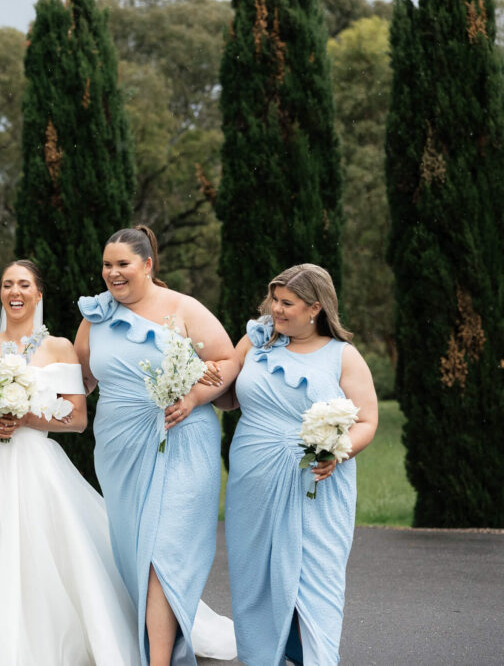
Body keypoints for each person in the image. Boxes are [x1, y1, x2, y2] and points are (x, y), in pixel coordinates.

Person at [0, 259, 141, 665]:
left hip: (35, 462)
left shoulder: (60, 348)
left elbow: (77, 419)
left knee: (38, 554)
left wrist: (26, 418)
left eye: (23, 285)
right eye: (7, 284)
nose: (14, 292)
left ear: (38, 294)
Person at [75, 226, 240, 665]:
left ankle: (159, 660)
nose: (113, 272)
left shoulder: (183, 308)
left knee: (161, 552)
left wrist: (194, 396)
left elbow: (226, 361)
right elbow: (80, 380)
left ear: (147, 265)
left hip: (182, 439)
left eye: (123, 264)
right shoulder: (95, 316)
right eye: (107, 265)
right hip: (120, 447)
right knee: (136, 554)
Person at [218, 264, 378, 665]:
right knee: (256, 577)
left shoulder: (343, 356)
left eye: (287, 303)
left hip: (316, 484)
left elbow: (368, 421)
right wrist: (191, 379)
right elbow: (227, 396)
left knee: (316, 579)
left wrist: (337, 452)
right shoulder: (256, 342)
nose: (276, 309)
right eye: (274, 299)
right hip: (252, 480)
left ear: (315, 308)